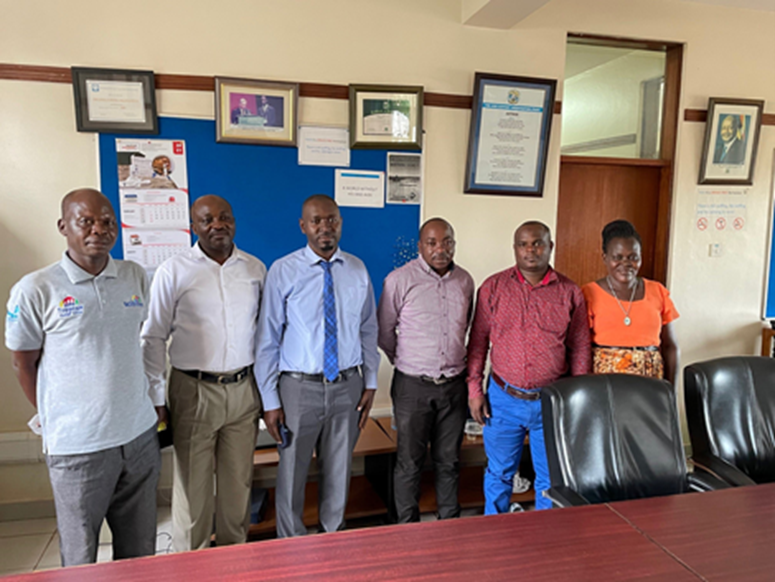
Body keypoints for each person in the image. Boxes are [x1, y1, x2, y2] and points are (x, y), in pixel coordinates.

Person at [5, 188, 162, 566]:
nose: (99, 229)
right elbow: (23, 364)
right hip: (78, 447)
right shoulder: (36, 289)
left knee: (139, 552)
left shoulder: (133, 276)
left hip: (139, 437)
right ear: (64, 226)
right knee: (79, 557)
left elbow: (131, 342)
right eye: (86, 221)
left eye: (107, 221)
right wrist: (57, 413)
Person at [141, 195, 265, 552]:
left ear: (234, 221)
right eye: (207, 219)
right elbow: (152, 337)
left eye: (224, 217)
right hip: (193, 389)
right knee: (193, 490)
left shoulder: (255, 269)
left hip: (243, 389)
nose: (217, 225)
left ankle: (234, 559)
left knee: (238, 485)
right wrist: (156, 396)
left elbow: (264, 333)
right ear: (193, 227)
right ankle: (190, 565)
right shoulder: (174, 270)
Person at [256, 194, 379, 538]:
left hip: (348, 385)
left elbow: (369, 328)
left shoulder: (357, 269)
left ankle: (333, 538)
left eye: (332, 220)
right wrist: (270, 401)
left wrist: (370, 382)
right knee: (292, 469)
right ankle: (290, 545)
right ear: (303, 226)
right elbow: (267, 339)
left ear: (340, 223)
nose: (325, 227)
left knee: (339, 468)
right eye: (317, 221)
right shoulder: (283, 269)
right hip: (298, 387)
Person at [467, 221, 591, 513]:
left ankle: (543, 540)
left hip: (552, 402)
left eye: (537, 243)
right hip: (502, 399)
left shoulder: (570, 292)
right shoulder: (493, 288)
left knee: (550, 480)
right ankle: (494, 534)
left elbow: (580, 347)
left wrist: (578, 399)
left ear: (550, 247)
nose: (530, 250)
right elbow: (477, 343)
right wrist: (474, 389)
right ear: (515, 248)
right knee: (499, 474)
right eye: (523, 244)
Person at [378, 218, 474, 523]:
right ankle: (407, 530)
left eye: (447, 241)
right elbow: (384, 332)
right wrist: (408, 361)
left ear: (454, 244)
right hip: (412, 387)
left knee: (449, 461)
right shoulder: (399, 280)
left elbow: (466, 327)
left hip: (453, 386)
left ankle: (449, 525)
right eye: (432, 242)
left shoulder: (465, 281)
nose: (440, 249)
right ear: (420, 246)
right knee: (409, 463)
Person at [581, 219, 680, 385]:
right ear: (605, 258)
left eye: (633, 257)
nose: (626, 264)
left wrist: (671, 391)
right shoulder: (588, 293)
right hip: (604, 386)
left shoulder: (658, 291)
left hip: (650, 385)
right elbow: (580, 350)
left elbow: (670, 347)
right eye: (617, 257)